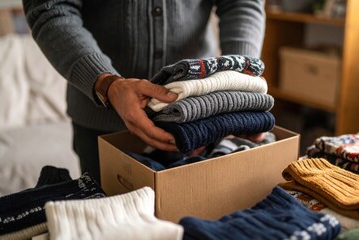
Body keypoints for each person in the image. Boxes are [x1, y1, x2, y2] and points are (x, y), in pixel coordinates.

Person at [22, 0, 266, 184]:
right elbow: (51, 8)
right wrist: (109, 84)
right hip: (101, 122)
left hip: (199, 115)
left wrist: (237, 79)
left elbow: (242, 3)